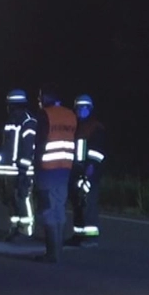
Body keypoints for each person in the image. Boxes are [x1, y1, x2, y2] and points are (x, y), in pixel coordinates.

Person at [32, 89, 78, 263]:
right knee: (59, 209)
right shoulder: (70, 115)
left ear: (46, 98)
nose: (39, 101)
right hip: (65, 167)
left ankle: (52, 254)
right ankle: (58, 251)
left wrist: (35, 167)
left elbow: (40, 142)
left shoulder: (45, 114)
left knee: (47, 210)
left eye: (40, 97)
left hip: (47, 169)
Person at [0, 89, 37, 242]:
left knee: (23, 198)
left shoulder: (28, 121)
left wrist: (23, 170)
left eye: (10, 105)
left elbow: (28, 148)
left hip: (22, 170)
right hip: (7, 169)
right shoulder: (10, 121)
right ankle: (14, 228)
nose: (8, 108)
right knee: (10, 200)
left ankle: (26, 231)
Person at [67, 94, 105, 247]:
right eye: (79, 107)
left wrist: (91, 167)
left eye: (85, 107)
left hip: (90, 172)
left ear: (90, 109)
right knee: (77, 203)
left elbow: (97, 151)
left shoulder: (95, 127)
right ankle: (78, 235)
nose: (81, 110)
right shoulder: (75, 127)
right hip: (76, 171)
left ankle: (90, 238)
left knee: (88, 203)